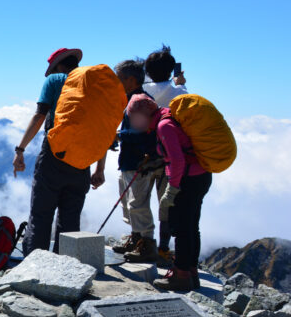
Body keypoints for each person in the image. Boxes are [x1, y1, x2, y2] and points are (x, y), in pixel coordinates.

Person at [13, 48, 106, 254]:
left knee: (41, 213)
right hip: (82, 158)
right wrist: (100, 168)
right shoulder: (93, 86)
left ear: (58, 66)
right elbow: (102, 128)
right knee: (70, 218)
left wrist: (20, 149)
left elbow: (39, 116)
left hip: (54, 154)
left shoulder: (54, 80)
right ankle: (67, 270)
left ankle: (34, 268)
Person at [123, 95, 210, 292]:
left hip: (187, 180)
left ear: (143, 115)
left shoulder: (164, 126)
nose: (133, 123)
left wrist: (172, 189)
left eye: (134, 117)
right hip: (200, 176)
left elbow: (178, 161)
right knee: (191, 227)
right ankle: (191, 274)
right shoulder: (167, 118)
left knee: (181, 228)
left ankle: (180, 276)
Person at [110, 59, 161, 261]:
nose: (116, 83)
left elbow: (143, 135)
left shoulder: (138, 101)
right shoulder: (135, 99)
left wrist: (119, 136)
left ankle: (146, 246)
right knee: (131, 204)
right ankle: (137, 239)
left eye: (119, 79)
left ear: (131, 80)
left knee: (137, 205)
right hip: (132, 160)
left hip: (137, 161)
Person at [143, 45, 189, 260]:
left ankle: (142, 242)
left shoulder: (141, 90)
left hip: (140, 155)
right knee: (166, 204)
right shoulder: (178, 92)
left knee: (139, 201)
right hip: (168, 156)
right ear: (172, 71)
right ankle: (163, 248)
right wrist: (180, 84)